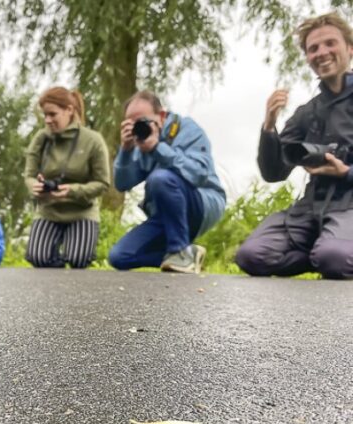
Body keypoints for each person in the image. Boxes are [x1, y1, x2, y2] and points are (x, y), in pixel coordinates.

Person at [236, 12, 353, 279]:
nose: (322, 52)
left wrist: (345, 172)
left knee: (334, 257)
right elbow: (273, 173)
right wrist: (269, 126)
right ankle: (325, 253)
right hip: (311, 207)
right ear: (308, 58)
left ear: (350, 48)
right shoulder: (305, 113)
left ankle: (332, 253)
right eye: (313, 48)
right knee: (252, 255)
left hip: (350, 204)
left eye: (330, 43)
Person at [108, 90, 226, 274]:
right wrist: (125, 150)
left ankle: (179, 250)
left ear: (161, 116)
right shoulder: (139, 143)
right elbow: (122, 184)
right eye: (132, 124)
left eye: (143, 121)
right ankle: (188, 255)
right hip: (166, 212)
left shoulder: (188, 129)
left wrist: (157, 148)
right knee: (119, 256)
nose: (138, 128)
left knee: (160, 178)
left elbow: (199, 174)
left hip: (202, 203)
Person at [24, 86, 111, 268]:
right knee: (38, 258)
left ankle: (70, 274)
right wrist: (34, 186)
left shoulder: (93, 140)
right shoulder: (41, 139)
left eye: (52, 114)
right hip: (49, 210)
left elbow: (103, 183)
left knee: (79, 260)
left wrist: (71, 191)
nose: (47, 120)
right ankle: (56, 279)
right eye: (45, 115)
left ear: (69, 110)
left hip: (81, 211)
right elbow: (30, 175)